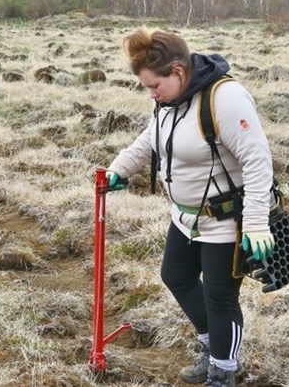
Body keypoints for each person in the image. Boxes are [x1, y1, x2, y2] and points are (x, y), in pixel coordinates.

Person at [105, 28, 276, 387]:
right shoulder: (169, 102)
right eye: (147, 88)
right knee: (176, 276)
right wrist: (119, 169)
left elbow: (257, 160)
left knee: (219, 297)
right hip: (185, 218)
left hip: (226, 221)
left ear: (178, 72)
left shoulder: (225, 99)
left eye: (155, 86)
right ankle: (213, 347)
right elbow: (150, 138)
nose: (151, 94)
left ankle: (224, 371)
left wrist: (257, 222)